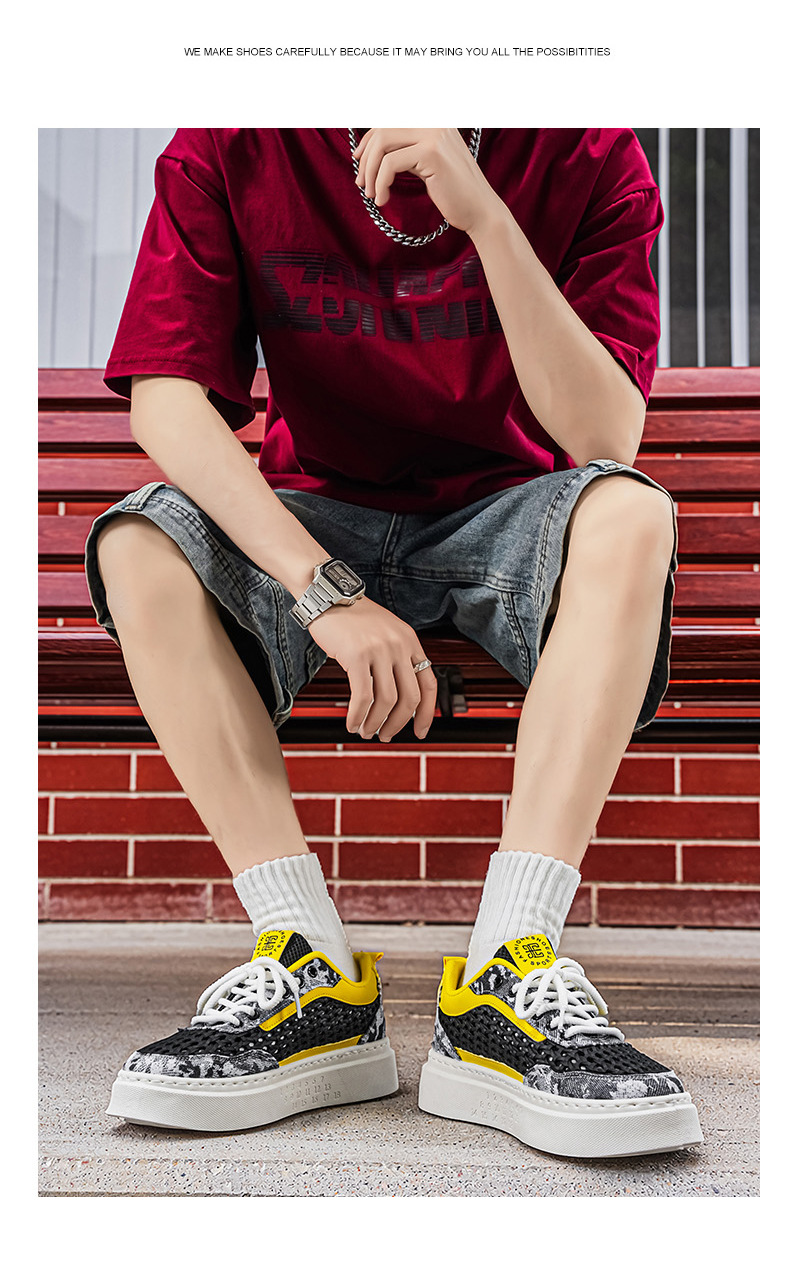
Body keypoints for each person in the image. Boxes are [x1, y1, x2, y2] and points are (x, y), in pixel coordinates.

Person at [83, 128, 702, 1157]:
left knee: (633, 512)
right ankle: (308, 966)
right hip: (315, 517)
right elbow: (167, 403)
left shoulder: (586, 150)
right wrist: (322, 590)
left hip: (510, 514)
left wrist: (483, 215)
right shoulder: (236, 139)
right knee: (140, 541)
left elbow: (604, 440)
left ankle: (508, 967)